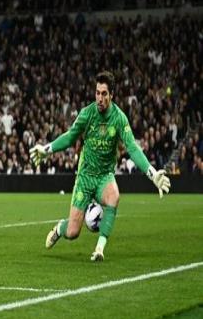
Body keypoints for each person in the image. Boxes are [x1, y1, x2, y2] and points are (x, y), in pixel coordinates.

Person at [30, 71, 171, 262]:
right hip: (85, 177)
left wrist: (152, 174)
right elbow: (70, 137)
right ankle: (60, 228)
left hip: (105, 176)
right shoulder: (87, 113)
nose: (100, 98)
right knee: (72, 232)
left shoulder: (119, 118)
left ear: (111, 94)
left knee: (114, 196)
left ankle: (99, 248)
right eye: (97, 93)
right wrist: (47, 149)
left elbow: (132, 148)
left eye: (104, 93)